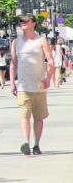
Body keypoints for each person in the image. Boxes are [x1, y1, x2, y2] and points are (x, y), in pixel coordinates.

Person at [10, 15, 55, 155]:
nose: (22, 23)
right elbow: (14, 63)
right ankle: (25, 142)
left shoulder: (41, 40)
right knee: (24, 114)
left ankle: (36, 144)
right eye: (21, 21)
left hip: (39, 84)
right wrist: (12, 82)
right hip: (23, 85)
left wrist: (49, 77)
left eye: (26, 21)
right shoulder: (16, 42)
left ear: (33, 23)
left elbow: (51, 61)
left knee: (38, 117)